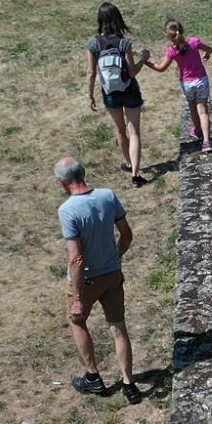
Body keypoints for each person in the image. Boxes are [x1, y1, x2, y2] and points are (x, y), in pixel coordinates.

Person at [55, 157, 141, 405]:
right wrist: (116, 257)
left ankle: (93, 376)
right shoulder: (108, 196)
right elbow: (126, 236)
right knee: (118, 327)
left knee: (77, 321)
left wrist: (78, 297)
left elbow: (77, 259)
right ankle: (129, 383)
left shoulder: (68, 210)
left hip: (87, 280)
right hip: (112, 274)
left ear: (63, 182)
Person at [86, 2, 149, 188]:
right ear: (119, 19)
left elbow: (91, 72)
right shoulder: (124, 43)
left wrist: (90, 96)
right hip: (130, 90)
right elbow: (131, 73)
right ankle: (136, 175)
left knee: (121, 130)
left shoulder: (94, 44)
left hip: (109, 93)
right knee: (134, 131)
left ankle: (129, 164)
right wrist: (143, 60)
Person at [142, 19, 212, 152]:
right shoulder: (194, 41)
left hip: (187, 83)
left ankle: (197, 130)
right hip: (201, 81)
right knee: (203, 110)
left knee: (193, 108)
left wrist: (145, 62)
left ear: (166, 35)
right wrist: (207, 53)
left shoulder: (172, 51)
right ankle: (207, 142)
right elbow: (210, 49)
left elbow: (161, 68)